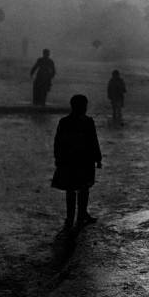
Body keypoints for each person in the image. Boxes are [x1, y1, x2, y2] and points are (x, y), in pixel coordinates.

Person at [52, 95, 102, 228]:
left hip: (70, 161)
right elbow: (93, 141)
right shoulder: (88, 122)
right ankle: (81, 215)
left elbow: (58, 142)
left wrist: (58, 158)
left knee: (71, 189)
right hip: (84, 161)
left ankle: (71, 216)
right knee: (83, 189)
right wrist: (98, 158)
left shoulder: (65, 122)